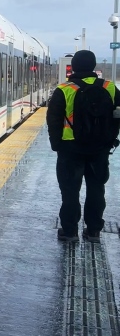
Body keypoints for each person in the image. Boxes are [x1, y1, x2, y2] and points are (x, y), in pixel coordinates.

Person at [47, 50, 120, 243]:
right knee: (97, 189)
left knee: (70, 191)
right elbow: (117, 116)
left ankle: (70, 232)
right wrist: (111, 139)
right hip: (100, 149)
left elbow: (53, 120)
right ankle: (94, 231)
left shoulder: (64, 89)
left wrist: (57, 145)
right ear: (93, 66)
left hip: (70, 149)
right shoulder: (110, 88)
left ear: (75, 66)